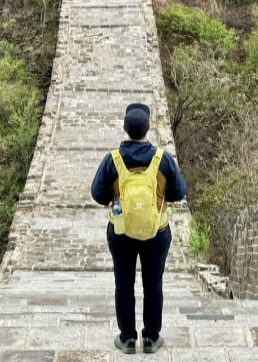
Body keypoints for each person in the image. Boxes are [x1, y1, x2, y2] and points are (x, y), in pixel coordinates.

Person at [91, 103, 187, 354]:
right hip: (157, 232)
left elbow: (98, 195)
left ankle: (127, 338)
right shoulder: (162, 159)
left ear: (125, 128)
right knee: (153, 283)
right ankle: (152, 338)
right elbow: (179, 192)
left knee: (124, 284)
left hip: (121, 232)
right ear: (148, 128)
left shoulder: (113, 160)